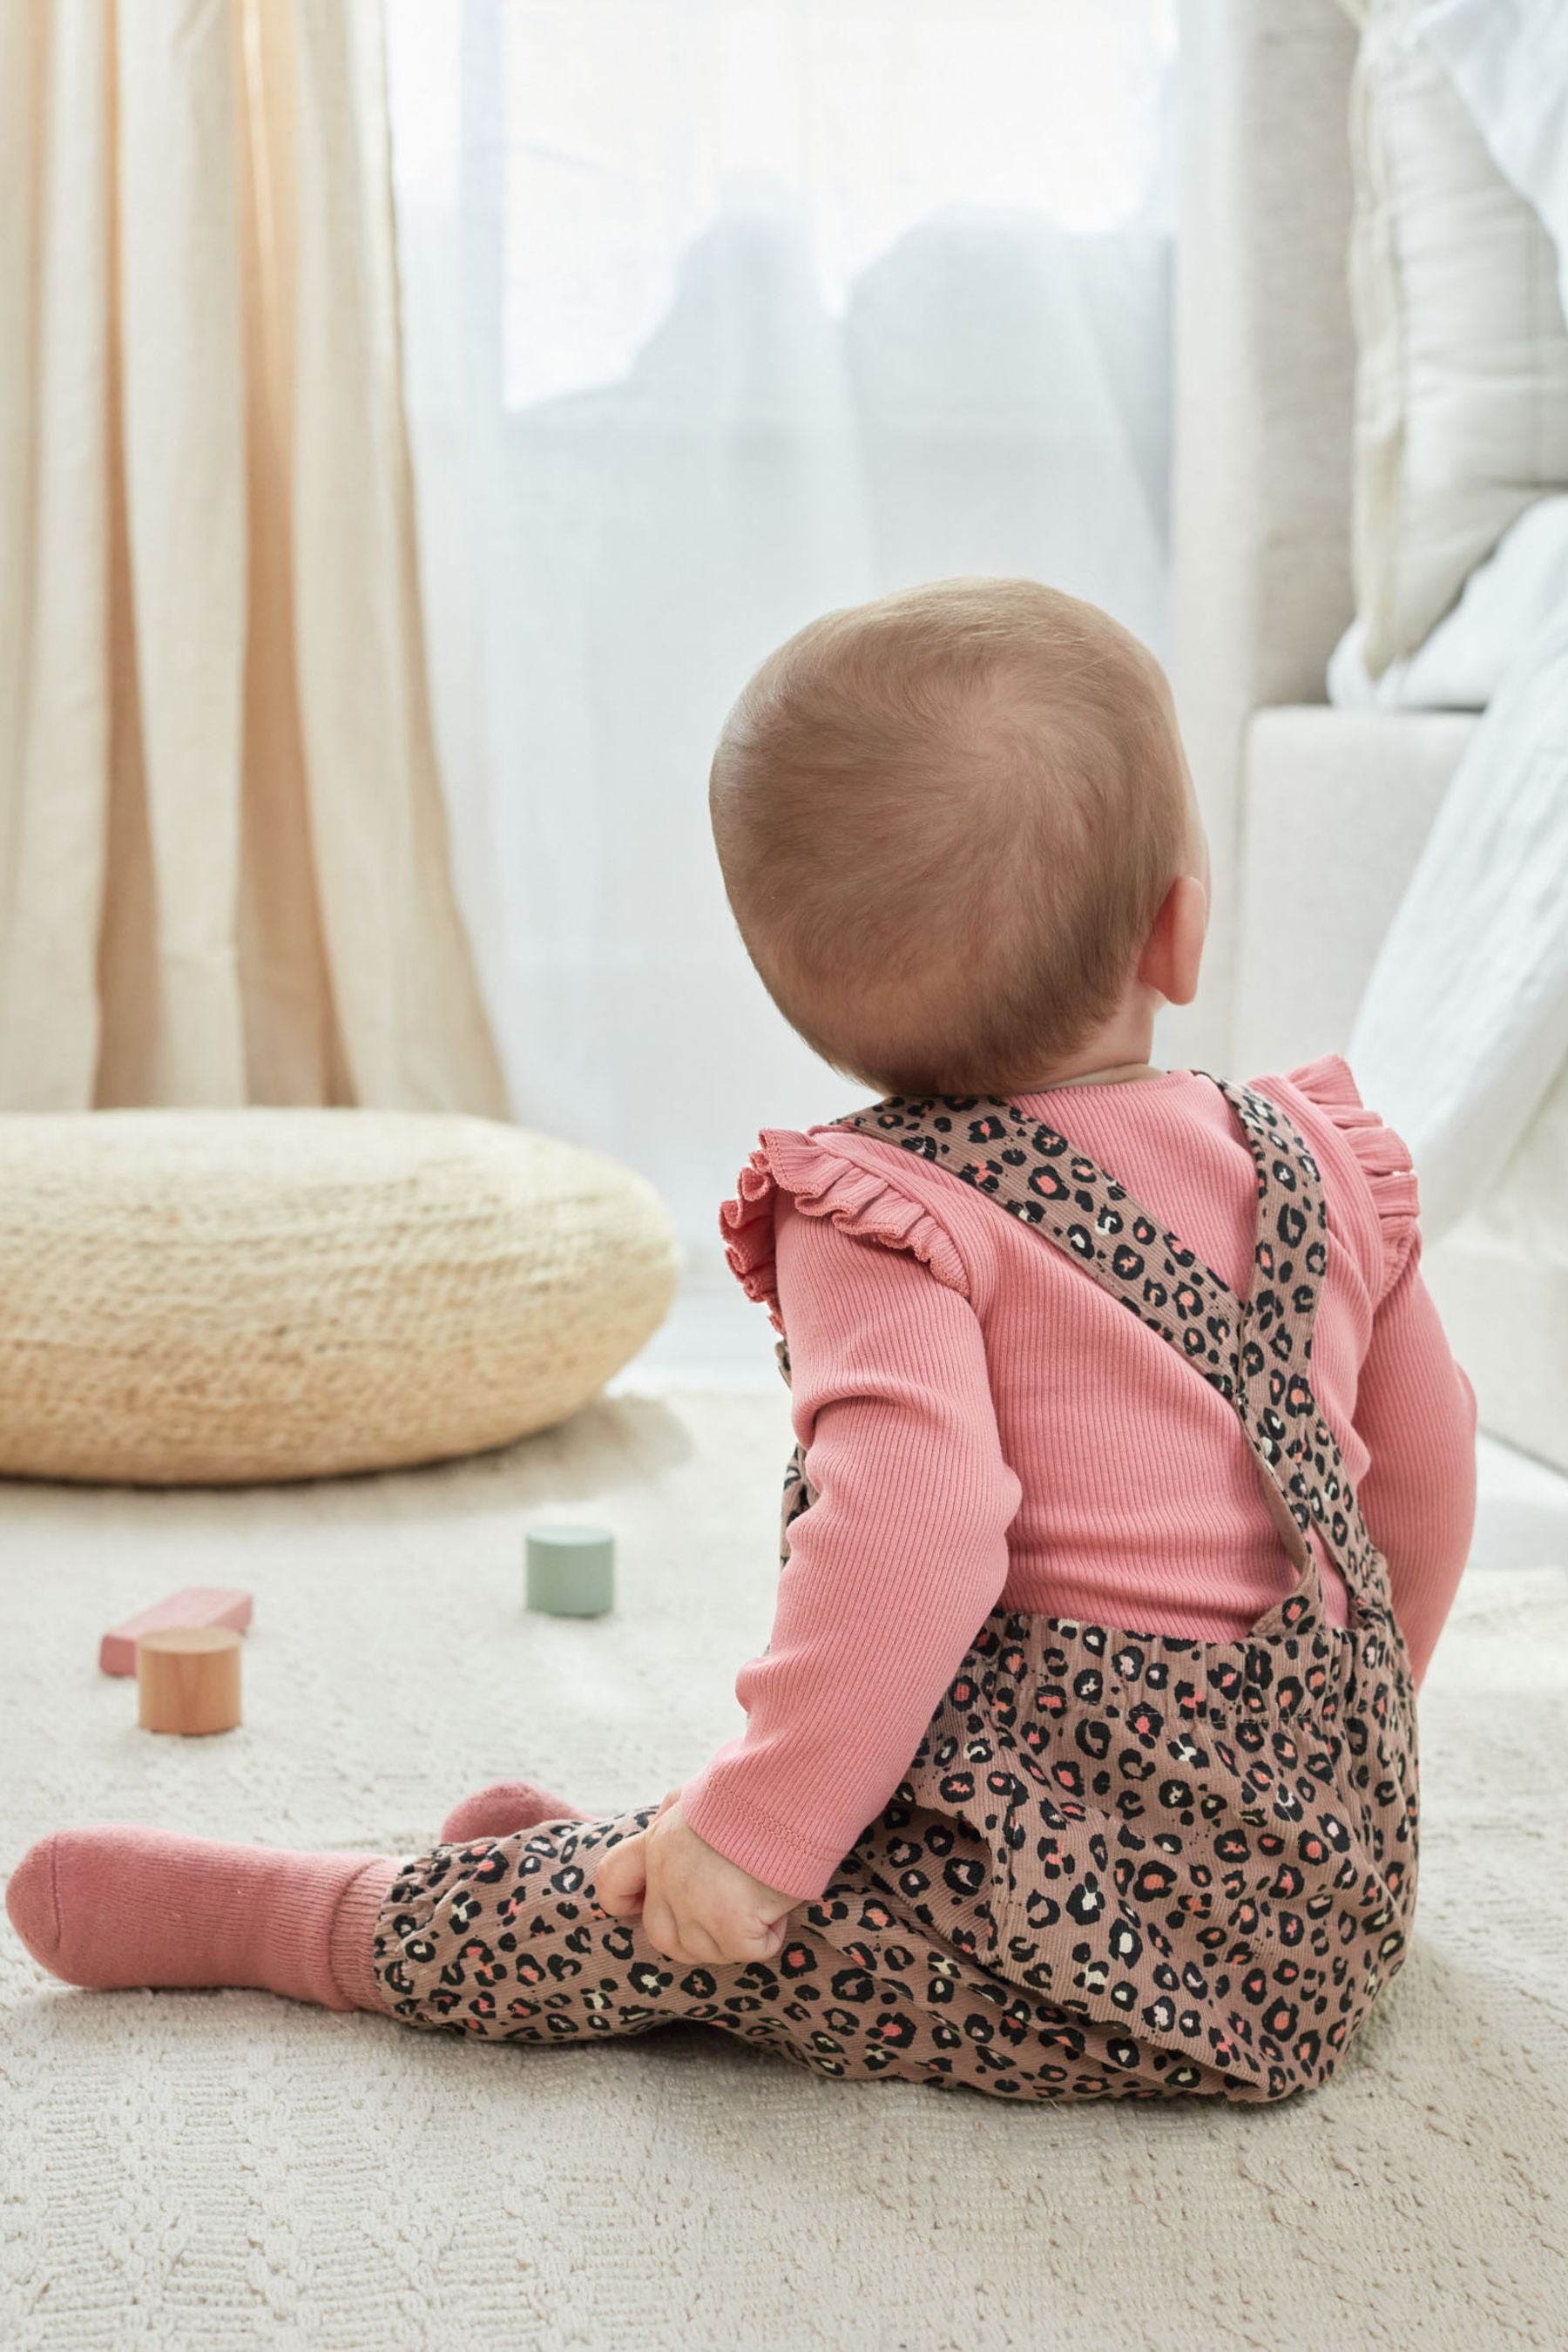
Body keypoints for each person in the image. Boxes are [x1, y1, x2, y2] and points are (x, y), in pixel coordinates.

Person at [6, 579, 1477, 2103]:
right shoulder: (1318, 1155)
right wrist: (1304, 1766)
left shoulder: (889, 1211)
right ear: (1180, 927)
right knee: (783, 1850)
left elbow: (916, 1539)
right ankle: (656, 1834)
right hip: (1331, 1898)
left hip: (1096, 1950)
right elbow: (1421, 1488)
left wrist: (754, 1842)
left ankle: (319, 1924)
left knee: (683, 1924)